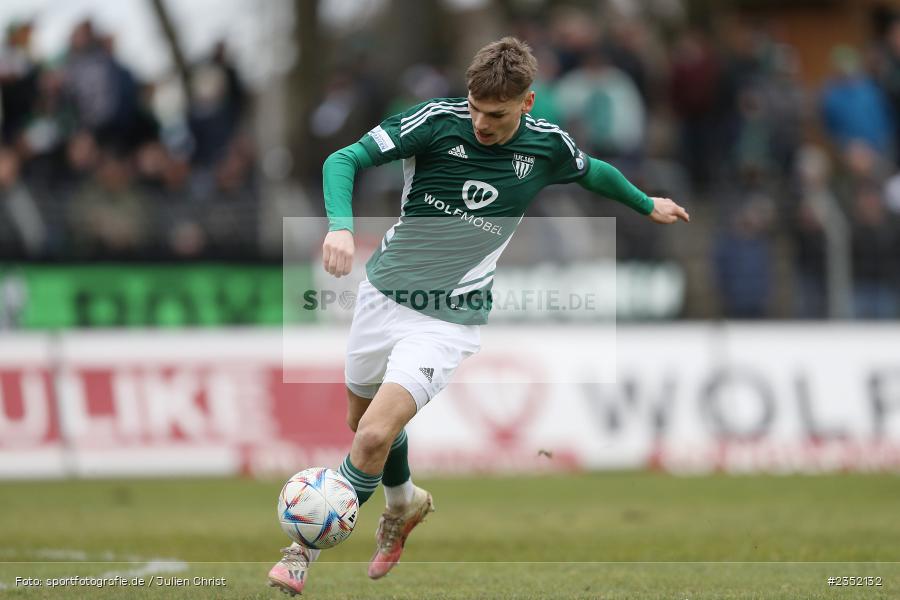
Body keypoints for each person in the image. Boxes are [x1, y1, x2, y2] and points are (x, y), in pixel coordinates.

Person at [268, 37, 689, 596]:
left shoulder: (547, 146)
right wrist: (341, 226)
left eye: (496, 114)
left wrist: (646, 202)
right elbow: (342, 159)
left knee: (371, 436)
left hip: (448, 318)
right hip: (382, 296)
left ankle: (302, 551)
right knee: (361, 420)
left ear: (527, 102)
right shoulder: (435, 122)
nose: (481, 123)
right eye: (475, 109)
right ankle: (404, 502)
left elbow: (594, 172)